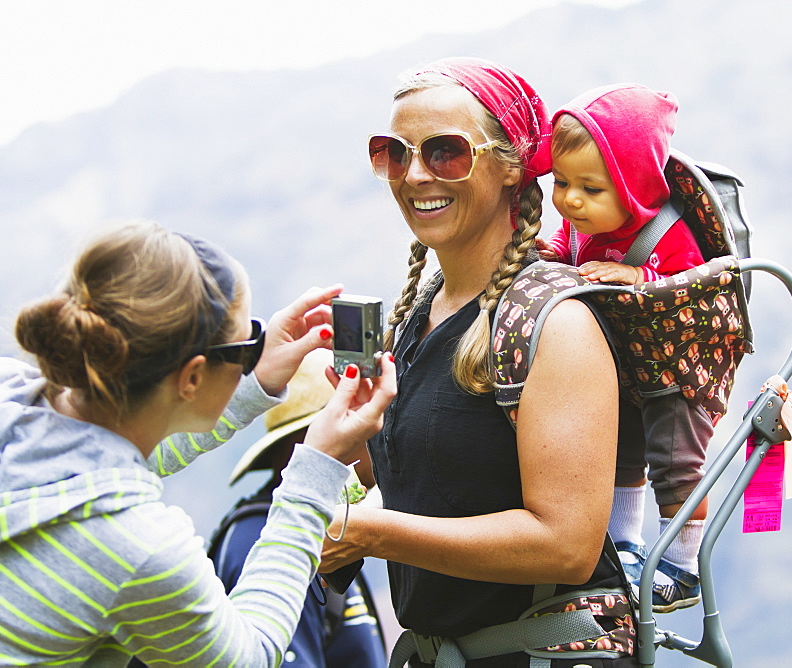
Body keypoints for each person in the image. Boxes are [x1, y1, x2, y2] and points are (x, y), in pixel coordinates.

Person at [321, 57, 635, 667]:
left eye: (445, 152)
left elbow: (564, 544)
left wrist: (366, 533)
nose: (413, 175)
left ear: (512, 162)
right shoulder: (421, 315)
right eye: (393, 152)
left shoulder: (556, 322)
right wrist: (357, 446)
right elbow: (446, 487)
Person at [0, 220, 396, 666]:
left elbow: (123, 449)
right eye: (247, 344)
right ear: (190, 377)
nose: (254, 352)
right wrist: (317, 471)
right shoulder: (138, 547)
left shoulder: (13, 397)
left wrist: (255, 376)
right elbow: (249, 658)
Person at [536, 84, 713, 613]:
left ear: (634, 188)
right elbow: (570, 250)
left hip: (679, 371)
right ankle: (626, 548)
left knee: (675, 463)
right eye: (562, 183)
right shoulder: (583, 224)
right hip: (629, 368)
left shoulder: (667, 232)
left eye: (590, 189)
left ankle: (682, 569)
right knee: (621, 454)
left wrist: (636, 274)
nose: (570, 200)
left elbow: (690, 281)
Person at [211, 349, 386, 667]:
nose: (380, 435)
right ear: (320, 434)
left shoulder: (330, 528)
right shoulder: (272, 542)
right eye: (362, 420)